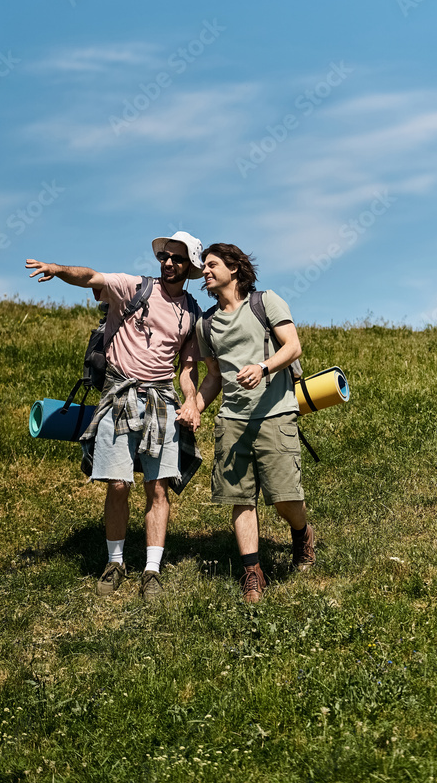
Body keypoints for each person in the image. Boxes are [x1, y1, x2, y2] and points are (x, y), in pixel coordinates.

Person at [26, 231, 203, 599]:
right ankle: (115, 562)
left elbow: (187, 367)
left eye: (178, 259)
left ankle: (152, 570)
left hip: (161, 400)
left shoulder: (191, 312)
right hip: (119, 395)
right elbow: (92, 278)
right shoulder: (135, 287)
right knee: (118, 484)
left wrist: (191, 400)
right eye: (165, 257)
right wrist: (57, 269)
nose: (169, 263)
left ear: (190, 267)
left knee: (158, 488)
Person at [180, 242, 315, 603]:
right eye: (204, 266)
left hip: (275, 413)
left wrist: (263, 368)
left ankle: (302, 533)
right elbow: (214, 377)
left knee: (285, 498)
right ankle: (252, 574)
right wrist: (196, 407)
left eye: (212, 264)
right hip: (232, 421)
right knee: (241, 500)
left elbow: (293, 346)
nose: (205, 271)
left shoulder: (265, 302)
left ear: (234, 268)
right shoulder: (205, 324)